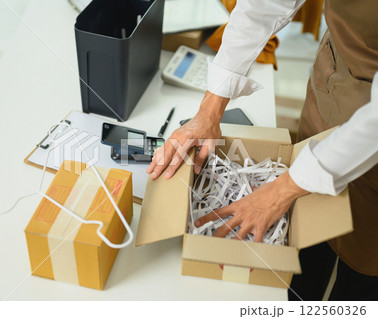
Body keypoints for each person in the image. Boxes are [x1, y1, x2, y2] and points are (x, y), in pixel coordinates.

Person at [146, 0, 378, 301]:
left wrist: (282, 190)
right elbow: (265, 4)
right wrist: (209, 110)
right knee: (305, 237)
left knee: (364, 261)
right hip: (336, 73)